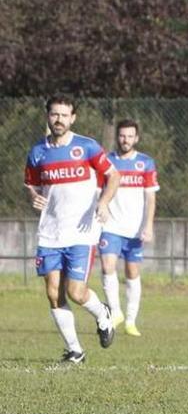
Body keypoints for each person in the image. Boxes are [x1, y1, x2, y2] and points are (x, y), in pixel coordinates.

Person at [24, 95, 121, 363]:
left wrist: (103, 201)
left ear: (72, 118)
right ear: (48, 116)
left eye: (64, 115)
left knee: (75, 292)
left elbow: (114, 175)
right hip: (50, 232)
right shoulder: (37, 152)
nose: (59, 119)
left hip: (82, 232)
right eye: (55, 114)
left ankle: (103, 314)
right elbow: (30, 184)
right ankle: (75, 350)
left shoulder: (87, 147)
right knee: (53, 293)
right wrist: (32, 196)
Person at [99, 119, 159, 337]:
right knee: (107, 265)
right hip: (110, 226)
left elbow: (150, 198)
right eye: (122, 135)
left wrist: (148, 224)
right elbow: (98, 190)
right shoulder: (107, 161)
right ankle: (115, 313)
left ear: (137, 138)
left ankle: (131, 320)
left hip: (135, 229)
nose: (126, 140)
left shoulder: (146, 163)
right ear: (117, 137)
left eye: (130, 136)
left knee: (132, 272)